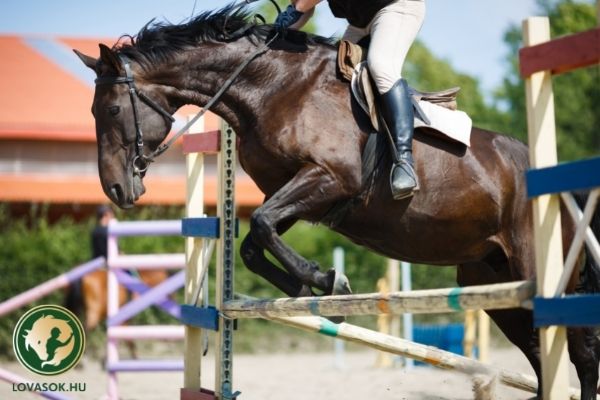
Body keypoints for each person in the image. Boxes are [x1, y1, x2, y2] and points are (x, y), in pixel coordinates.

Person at [274, 0, 426, 200]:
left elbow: (301, 5)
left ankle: (404, 162)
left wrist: (295, 9)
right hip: (360, 24)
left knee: (381, 67)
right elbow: (302, 9)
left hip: (397, 7)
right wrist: (276, 34)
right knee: (330, 76)